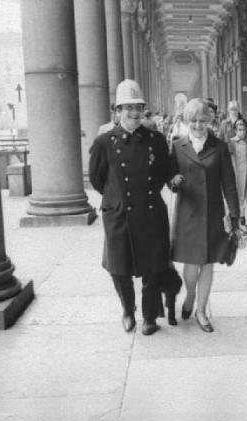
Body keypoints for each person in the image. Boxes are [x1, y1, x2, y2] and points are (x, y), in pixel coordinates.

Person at [89, 79, 172, 336]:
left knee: (152, 267)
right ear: (117, 111)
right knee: (119, 268)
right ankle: (127, 310)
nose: (134, 113)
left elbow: (163, 173)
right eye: (128, 108)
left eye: (138, 108)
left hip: (149, 211)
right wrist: (117, 197)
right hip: (118, 214)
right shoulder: (104, 142)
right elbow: (97, 179)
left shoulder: (155, 140)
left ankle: (148, 317)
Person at [169, 98, 240, 332]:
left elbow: (229, 183)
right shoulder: (177, 146)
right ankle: (189, 295)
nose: (198, 125)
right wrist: (174, 183)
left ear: (209, 121)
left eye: (202, 120)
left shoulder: (219, 147)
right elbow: (170, 178)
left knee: (208, 263)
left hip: (212, 213)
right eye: (193, 121)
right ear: (187, 121)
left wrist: (235, 215)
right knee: (190, 266)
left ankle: (201, 310)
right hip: (188, 213)